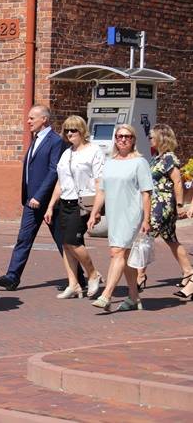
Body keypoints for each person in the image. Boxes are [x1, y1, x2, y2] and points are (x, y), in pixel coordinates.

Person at [0, 105, 68, 291]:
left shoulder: (55, 141)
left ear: (44, 119)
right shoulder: (36, 139)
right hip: (31, 201)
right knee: (23, 238)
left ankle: (80, 279)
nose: (28, 121)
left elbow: (53, 171)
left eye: (32, 118)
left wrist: (39, 196)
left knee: (62, 241)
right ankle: (12, 277)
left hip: (48, 201)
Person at [88, 124, 152, 311]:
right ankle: (134, 297)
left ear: (133, 140)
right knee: (125, 255)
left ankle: (106, 295)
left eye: (127, 136)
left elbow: (146, 193)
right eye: (119, 136)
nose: (123, 139)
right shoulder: (110, 162)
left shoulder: (140, 162)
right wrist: (94, 212)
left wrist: (146, 219)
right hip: (114, 214)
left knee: (116, 252)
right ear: (115, 139)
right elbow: (102, 190)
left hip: (132, 214)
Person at [44, 116, 105, 299]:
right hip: (65, 202)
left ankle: (93, 273)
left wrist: (95, 211)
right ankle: (73, 284)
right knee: (65, 243)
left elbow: (99, 183)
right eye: (67, 130)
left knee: (73, 241)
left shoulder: (94, 151)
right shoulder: (67, 153)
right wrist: (50, 206)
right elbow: (60, 182)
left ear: (82, 131)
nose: (70, 133)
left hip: (82, 203)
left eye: (74, 130)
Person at [138, 124, 193, 292]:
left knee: (146, 237)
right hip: (155, 202)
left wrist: (180, 205)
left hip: (163, 204)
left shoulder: (169, 158)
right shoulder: (157, 158)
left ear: (161, 138)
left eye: (152, 137)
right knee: (171, 239)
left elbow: (177, 182)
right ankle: (188, 272)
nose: (149, 139)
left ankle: (140, 276)